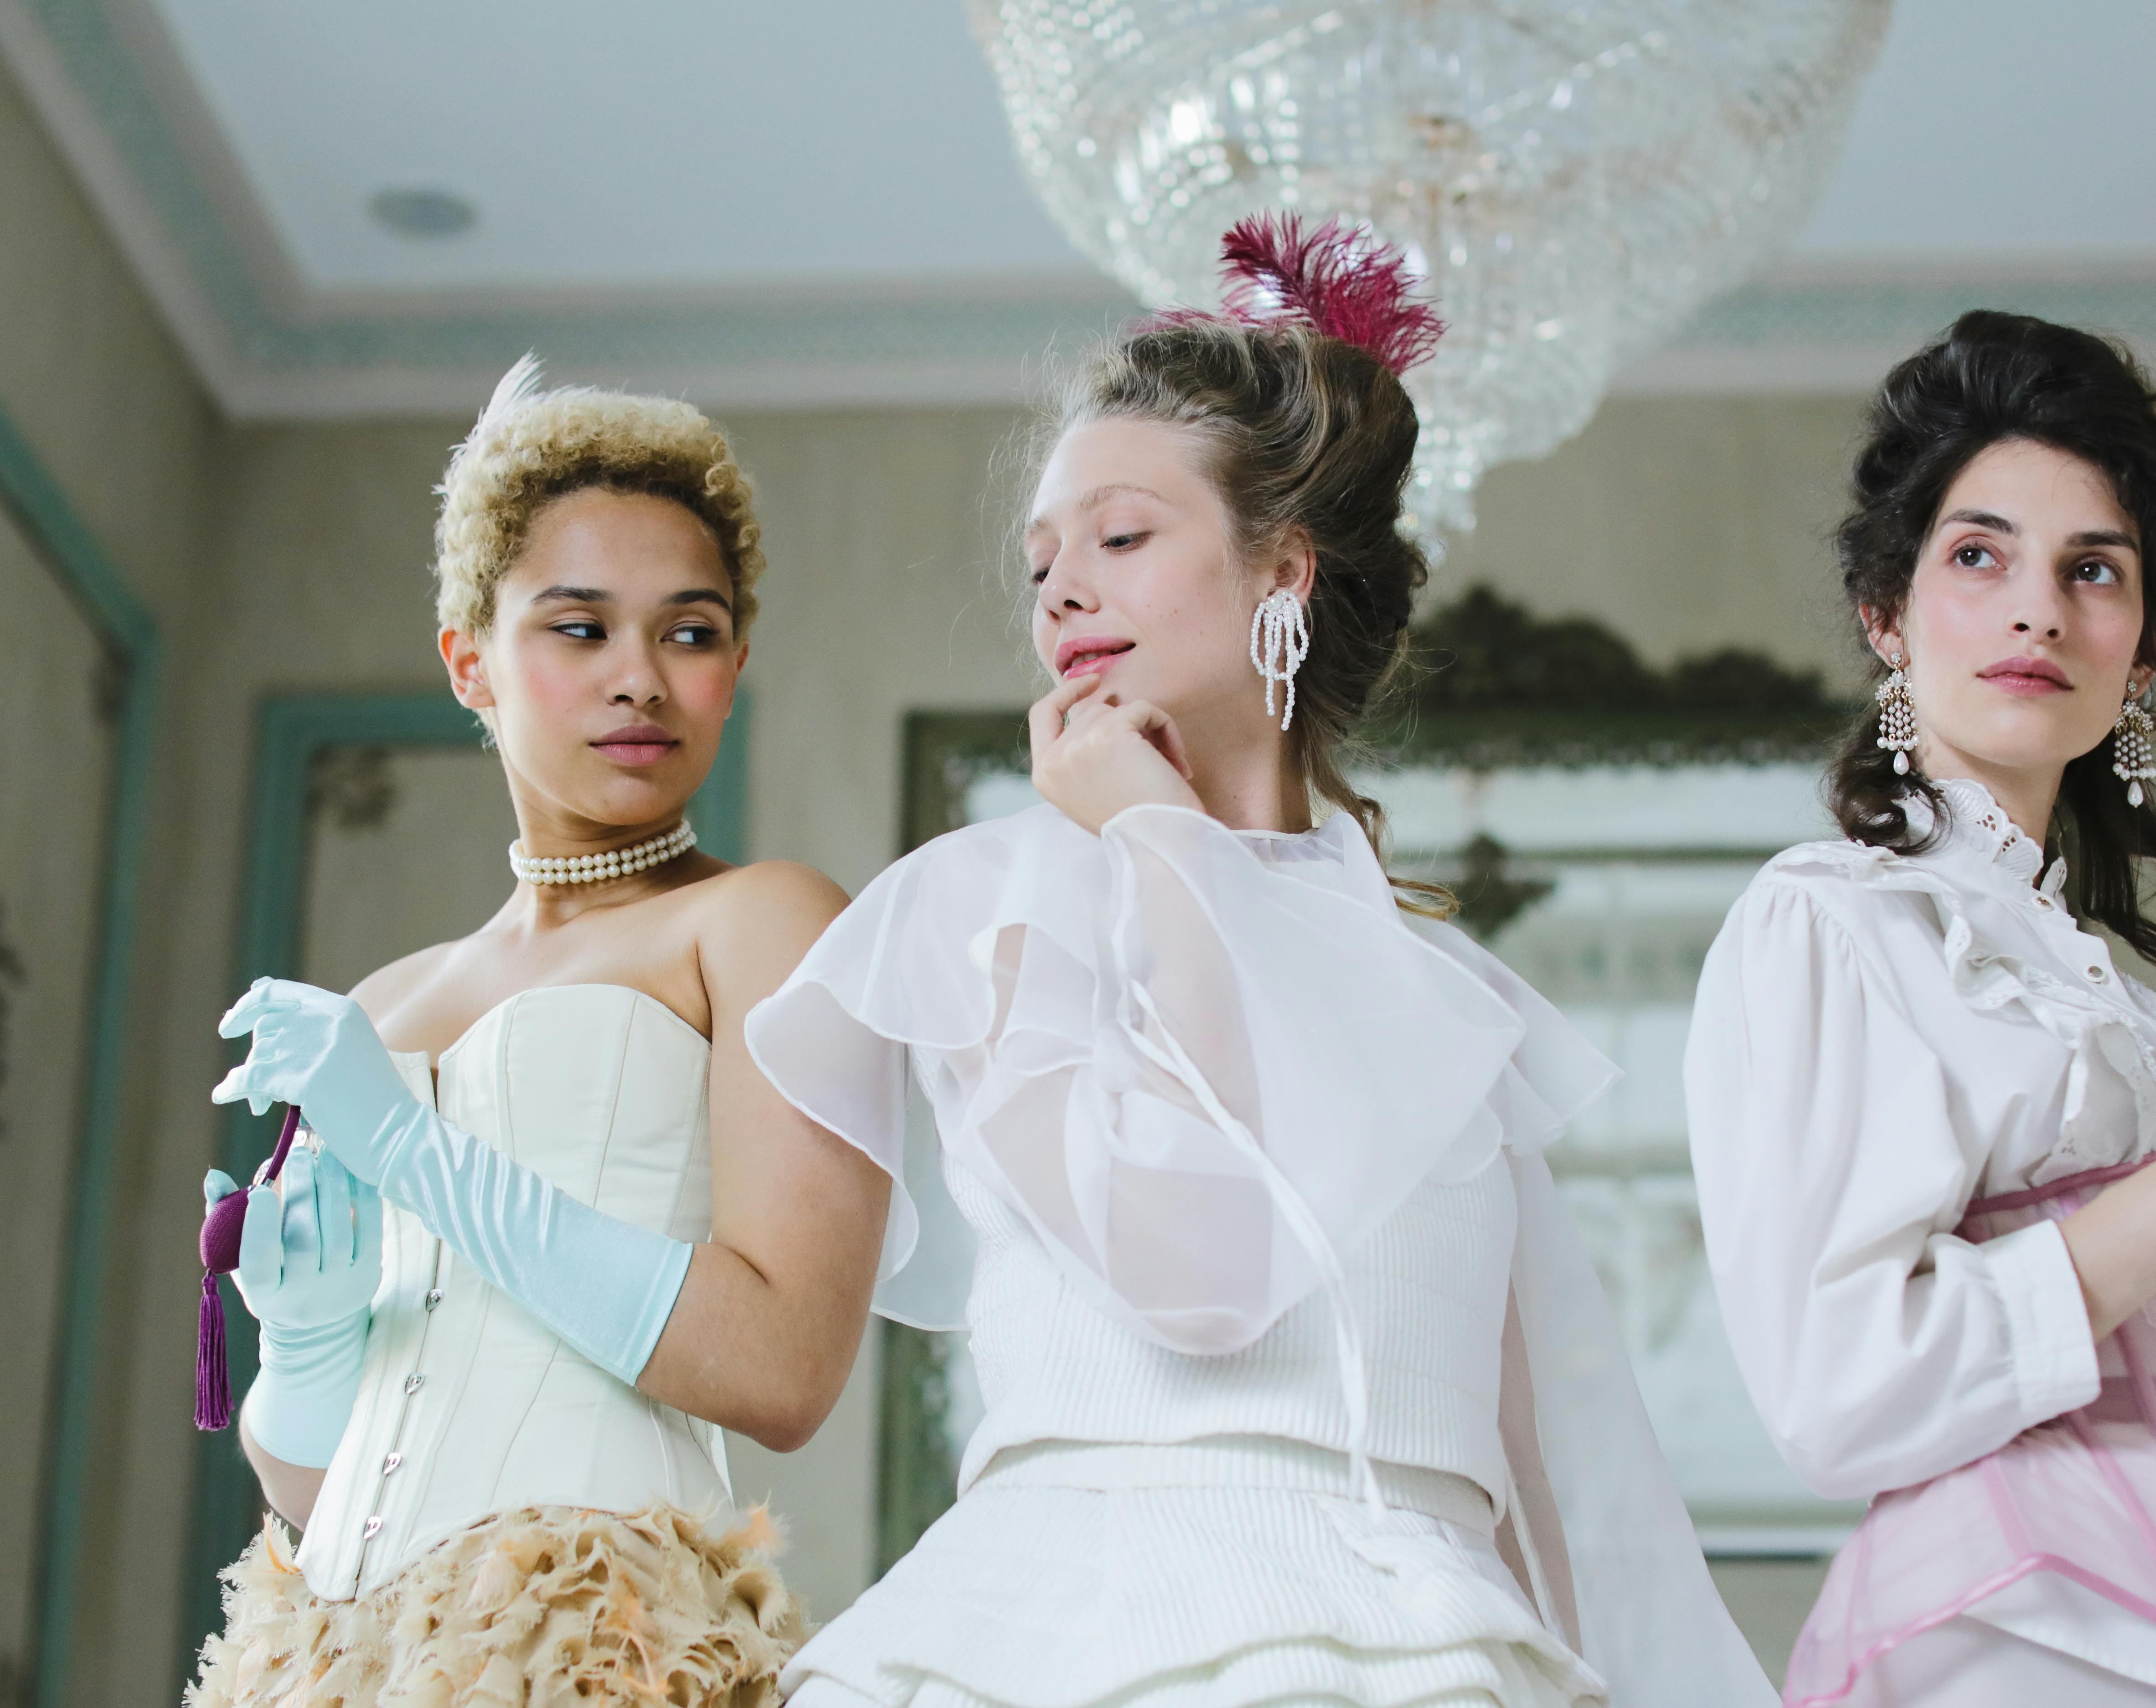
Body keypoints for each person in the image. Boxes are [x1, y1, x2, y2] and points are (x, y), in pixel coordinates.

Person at [745, 215, 1773, 1708]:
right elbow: (1195, 1267)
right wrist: (1162, 844)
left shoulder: (1452, 1000)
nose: (1059, 593)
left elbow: (1565, 1476)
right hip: (1073, 1626)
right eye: (1042, 561)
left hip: (1438, 1646)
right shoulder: (988, 908)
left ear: (1280, 568)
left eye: (1119, 536)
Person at [1687, 311, 2156, 1708]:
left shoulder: (2136, 1010)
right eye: (1976, 556)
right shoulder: (1838, 923)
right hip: (2023, 1639)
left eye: (2089, 570)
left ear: (2140, 653)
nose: (2037, 608)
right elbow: (1841, 1397)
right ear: (1885, 612)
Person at [193, 359, 890, 1707]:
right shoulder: (384, 1001)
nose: (641, 676)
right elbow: (322, 1482)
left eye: (690, 632)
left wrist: (410, 1144)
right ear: (471, 663)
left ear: (734, 669)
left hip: (607, 1636)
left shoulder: (763, 922)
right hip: (335, 1658)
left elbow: (783, 1365)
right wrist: (306, 1344)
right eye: (578, 628)